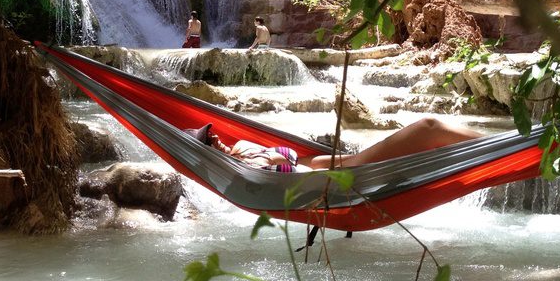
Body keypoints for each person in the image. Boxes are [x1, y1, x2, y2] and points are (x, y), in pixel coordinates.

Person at [185, 117, 482, 172]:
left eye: (208, 131)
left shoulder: (241, 148)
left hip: (333, 163)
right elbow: (266, 175)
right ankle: (506, 145)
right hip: (339, 179)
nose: (213, 134)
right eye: (206, 139)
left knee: (433, 142)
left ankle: (503, 147)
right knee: (428, 128)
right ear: (205, 154)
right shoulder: (237, 167)